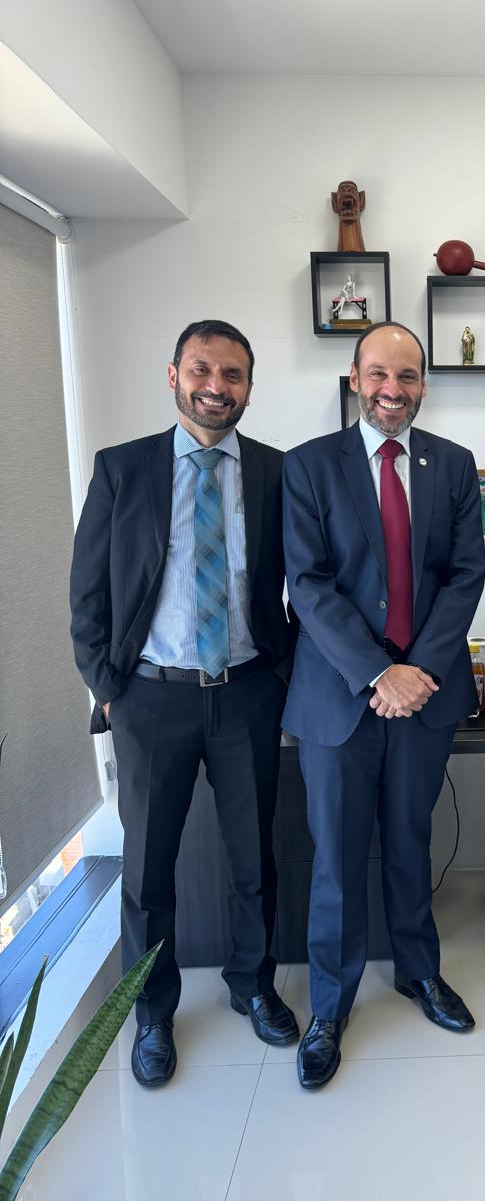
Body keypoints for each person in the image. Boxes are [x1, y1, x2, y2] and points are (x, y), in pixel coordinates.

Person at [70, 320, 299, 1088]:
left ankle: (252, 986)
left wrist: (285, 676)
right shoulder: (122, 469)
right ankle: (151, 1013)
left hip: (247, 693)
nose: (215, 386)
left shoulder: (274, 471)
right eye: (202, 369)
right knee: (147, 871)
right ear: (174, 375)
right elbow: (88, 593)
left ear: (249, 387)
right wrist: (108, 687)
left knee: (255, 858)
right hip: (151, 698)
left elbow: (301, 580)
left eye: (232, 374)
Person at [282, 321, 485, 1089]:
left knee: (410, 839)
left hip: (425, 695)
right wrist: (377, 674)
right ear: (355, 378)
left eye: (406, 376)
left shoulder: (453, 465)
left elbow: (464, 575)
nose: (391, 390)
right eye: (378, 375)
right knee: (335, 857)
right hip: (338, 698)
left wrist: (417, 671)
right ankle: (329, 1009)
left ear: (423, 383)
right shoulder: (309, 466)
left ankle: (417, 972)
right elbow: (308, 584)